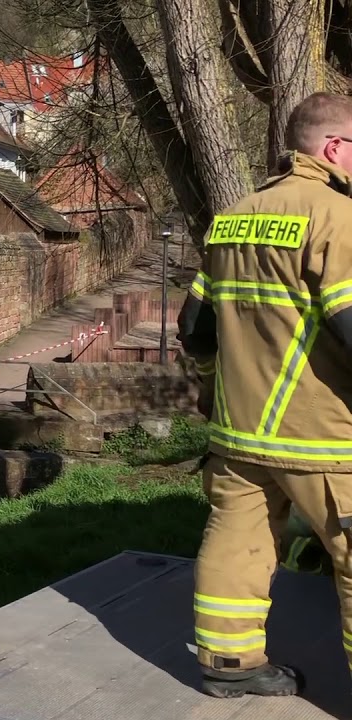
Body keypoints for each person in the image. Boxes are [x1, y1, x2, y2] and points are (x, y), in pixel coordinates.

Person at [177, 90, 352, 700]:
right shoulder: (337, 218)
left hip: (238, 432)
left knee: (237, 540)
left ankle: (231, 664)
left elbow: (196, 326)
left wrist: (212, 388)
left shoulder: (232, 219)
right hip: (322, 436)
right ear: (334, 148)